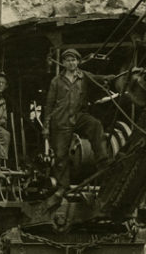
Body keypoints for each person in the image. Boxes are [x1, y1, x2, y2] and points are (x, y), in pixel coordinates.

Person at [43, 48, 114, 194]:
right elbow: (49, 105)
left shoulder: (84, 76)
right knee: (61, 155)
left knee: (95, 125)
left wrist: (118, 77)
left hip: (78, 116)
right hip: (60, 120)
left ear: (78, 62)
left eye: (73, 60)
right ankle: (63, 187)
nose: (71, 63)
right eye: (68, 60)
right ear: (63, 63)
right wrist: (46, 126)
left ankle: (103, 163)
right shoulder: (56, 81)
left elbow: (100, 79)